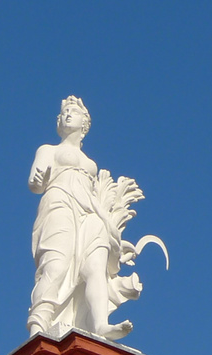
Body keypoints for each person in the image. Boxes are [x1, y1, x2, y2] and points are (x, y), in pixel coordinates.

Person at [27, 96, 152, 342]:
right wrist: (38, 179)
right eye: (64, 113)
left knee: (94, 266)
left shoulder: (90, 164)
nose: (67, 115)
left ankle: (100, 324)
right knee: (57, 265)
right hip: (60, 204)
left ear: (85, 123)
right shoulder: (48, 150)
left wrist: (110, 226)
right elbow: (36, 183)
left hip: (91, 214)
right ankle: (38, 327)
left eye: (73, 111)